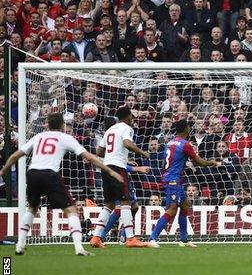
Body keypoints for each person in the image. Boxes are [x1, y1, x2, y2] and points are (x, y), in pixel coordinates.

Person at [0, 113, 124, 256]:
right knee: (71, 210)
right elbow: (89, 156)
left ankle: (19, 245)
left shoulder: (38, 137)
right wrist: (111, 171)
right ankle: (79, 248)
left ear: (47, 124)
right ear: (62, 125)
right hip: (50, 174)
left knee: (31, 209)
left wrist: (3, 170)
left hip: (33, 173)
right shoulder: (65, 138)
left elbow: (16, 155)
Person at [149, 120, 220, 247]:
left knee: (185, 205)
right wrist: (213, 162)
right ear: (186, 129)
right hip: (172, 179)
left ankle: (184, 239)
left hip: (171, 177)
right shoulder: (185, 144)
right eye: (188, 127)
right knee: (172, 209)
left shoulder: (169, 142)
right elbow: (200, 163)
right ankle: (152, 238)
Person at [90, 107, 152, 248]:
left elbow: (99, 151)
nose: (132, 118)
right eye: (132, 115)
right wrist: (142, 153)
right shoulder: (126, 128)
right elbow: (127, 144)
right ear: (128, 116)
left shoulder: (109, 130)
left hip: (106, 168)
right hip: (118, 168)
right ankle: (130, 239)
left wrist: (123, 158)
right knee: (125, 202)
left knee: (109, 204)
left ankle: (96, 237)